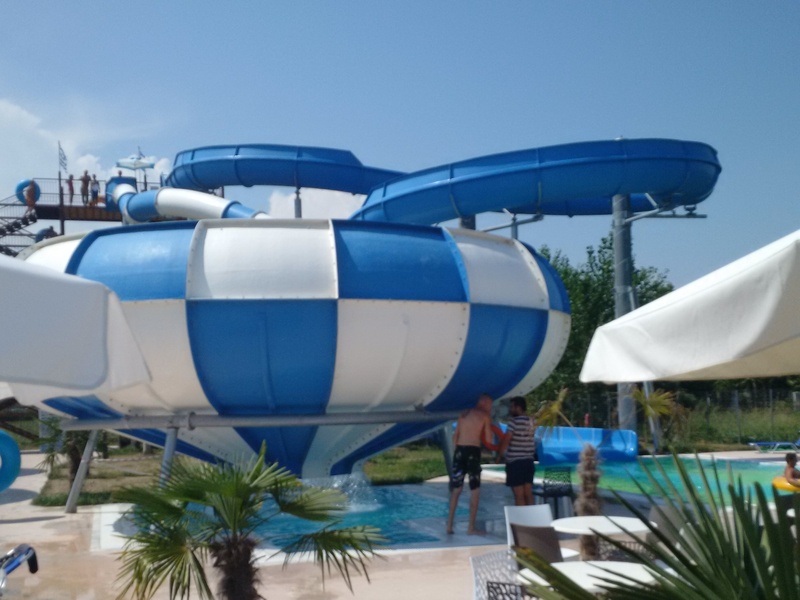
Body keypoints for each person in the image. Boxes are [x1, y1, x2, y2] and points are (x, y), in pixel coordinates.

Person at [446, 393, 493, 535]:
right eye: (490, 404)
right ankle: (471, 528)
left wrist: (457, 452)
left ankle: (449, 526)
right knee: (475, 490)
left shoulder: (464, 414)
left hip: (460, 451)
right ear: (484, 403)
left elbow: (455, 436)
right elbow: (489, 440)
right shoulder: (484, 416)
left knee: (456, 490)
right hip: (473, 451)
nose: (490, 408)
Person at [498, 396, 537, 506]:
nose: (510, 410)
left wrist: (499, 455)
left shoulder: (513, 423)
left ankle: (521, 516)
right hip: (529, 462)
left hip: (515, 463)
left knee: (519, 495)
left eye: (512, 407)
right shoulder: (532, 422)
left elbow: (507, 440)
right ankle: (532, 515)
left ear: (518, 407)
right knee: (528, 493)